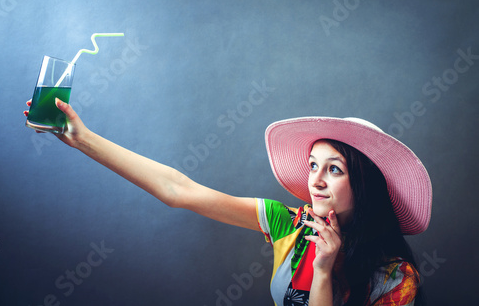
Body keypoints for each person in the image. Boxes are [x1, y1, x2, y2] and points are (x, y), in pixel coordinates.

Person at [24, 98, 432, 306]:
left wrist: (323, 271)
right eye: (312, 165)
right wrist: (81, 138)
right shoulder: (288, 224)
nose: (316, 181)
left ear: (364, 186)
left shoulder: (396, 279)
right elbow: (179, 190)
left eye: (335, 169)